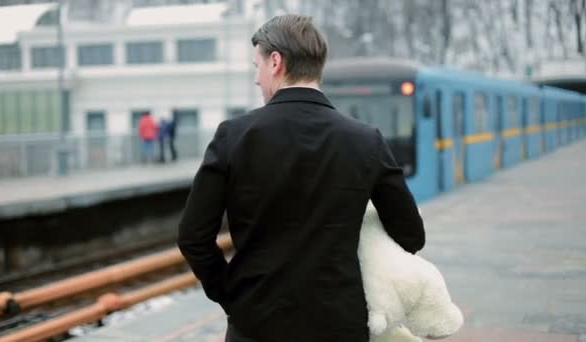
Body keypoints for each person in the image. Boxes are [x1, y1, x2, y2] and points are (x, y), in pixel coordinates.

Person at [177, 14, 425, 342]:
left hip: (256, 325)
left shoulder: (233, 136)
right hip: (339, 323)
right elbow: (411, 235)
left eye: (257, 65)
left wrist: (230, 294)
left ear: (276, 62)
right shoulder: (366, 140)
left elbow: (193, 237)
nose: (256, 78)